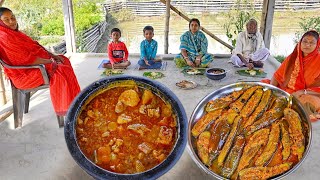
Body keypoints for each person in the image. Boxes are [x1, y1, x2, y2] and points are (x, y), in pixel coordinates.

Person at [0, 7, 80, 117]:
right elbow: (27, 59)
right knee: (61, 70)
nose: (12, 21)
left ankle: (75, 102)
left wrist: (52, 56)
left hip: (36, 65)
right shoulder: (4, 37)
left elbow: (36, 46)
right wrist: (50, 61)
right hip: (24, 74)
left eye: (12, 17)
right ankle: (67, 111)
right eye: (6, 19)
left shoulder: (15, 33)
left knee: (64, 59)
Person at [268, 30, 320, 122]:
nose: (307, 45)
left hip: (308, 94)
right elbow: (277, 75)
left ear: (317, 45)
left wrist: (302, 92)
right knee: (266, 91)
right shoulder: (293, 57)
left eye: (312, 43)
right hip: (288, 91)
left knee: (304, 102)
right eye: (305, 41)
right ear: (300, 42)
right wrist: (272, 90)